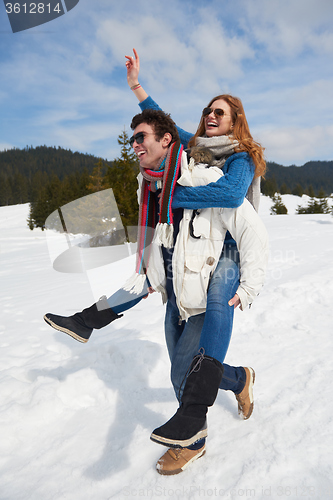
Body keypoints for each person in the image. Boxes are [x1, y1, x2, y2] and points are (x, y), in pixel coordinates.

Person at [125, 49, 268, 474]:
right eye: (208, 111)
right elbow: (161, 121)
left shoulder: (240, 156)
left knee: (215, 308)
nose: (210, 116)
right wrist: (136, 86)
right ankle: (239, 378)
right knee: (178, 345)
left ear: (234, 121)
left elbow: (228, 196)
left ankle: (193, 436)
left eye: (219, 113)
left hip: (229, 248)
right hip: (189, 250)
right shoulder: (197, 146)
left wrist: (174, 196)